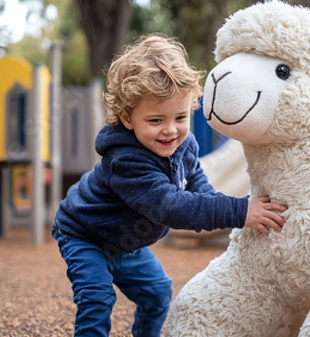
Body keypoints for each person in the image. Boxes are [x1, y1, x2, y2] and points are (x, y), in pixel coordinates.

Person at [52, 33, 287, 337]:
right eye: (155, 121)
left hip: (126, 243)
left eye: (179, 116)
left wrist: (222, 207)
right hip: (86, 235)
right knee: (97, 298)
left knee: (157, 293)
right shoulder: (126, 161)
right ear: (127, 117)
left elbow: (195, 180)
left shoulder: (183, 143)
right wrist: (238, 211)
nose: (170, 130)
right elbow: (170, 206)